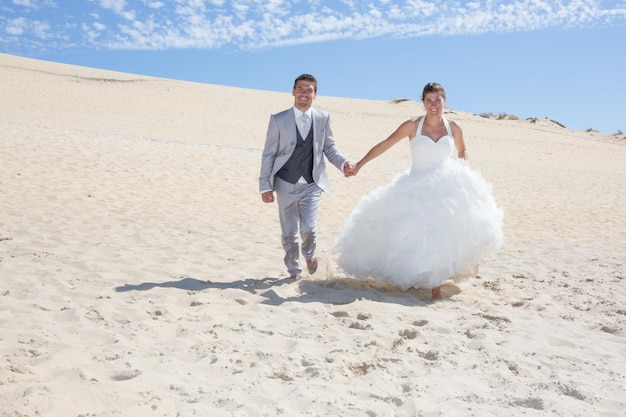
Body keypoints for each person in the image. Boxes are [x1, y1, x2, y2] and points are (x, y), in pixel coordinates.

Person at [336, 82, 504, 300]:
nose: (433, 105)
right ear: (423, 102)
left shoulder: (454, 127)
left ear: (444, 101)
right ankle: (424, 279)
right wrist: (359, 165)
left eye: (437, 100)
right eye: (428, 100)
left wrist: (465, 174)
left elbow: (463, 150)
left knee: (443, 234)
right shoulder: (411, 126)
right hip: (416, 184)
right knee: (414, 235)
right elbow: (385, 144)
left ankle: (436, 285)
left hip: (447, 187)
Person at [260, 74, 353, 279]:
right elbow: (269, 153)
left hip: (312, 184)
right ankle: (294, 271)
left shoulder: (323, 118)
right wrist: (265, 186)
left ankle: (310, 256)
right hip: (285, 183)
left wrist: (343, 163)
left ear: (315, 94)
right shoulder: (278, 119)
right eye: (300, 89)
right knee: (289, 233)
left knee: (309, 229)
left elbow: (329, 148)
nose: (304, 93)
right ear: (293, 92)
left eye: (309, 90)